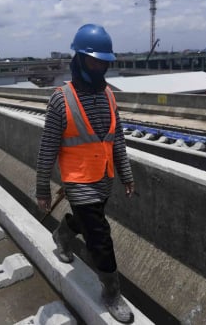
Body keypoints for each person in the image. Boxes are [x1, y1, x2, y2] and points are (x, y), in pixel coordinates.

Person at [36, 24, 135, 323]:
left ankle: (63, 234)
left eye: (104, 61)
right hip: (78, 181)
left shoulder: (109, 96)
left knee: (85, 222)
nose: (100, 66)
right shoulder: (60, 99)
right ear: (79, 59)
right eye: (94, 60)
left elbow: (116, 139)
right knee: (99, 236)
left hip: (103, 178)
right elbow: (47, 148)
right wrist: (42, 188)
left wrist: (126, 175)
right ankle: (111, 292)